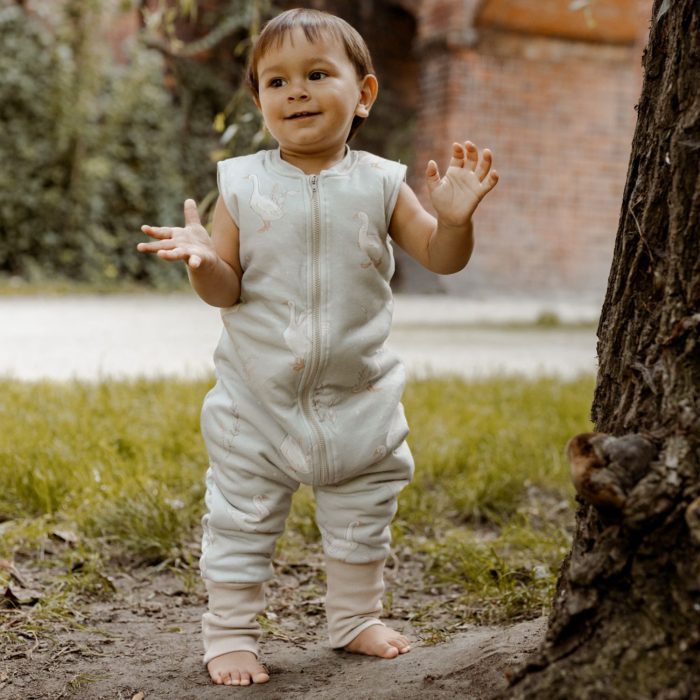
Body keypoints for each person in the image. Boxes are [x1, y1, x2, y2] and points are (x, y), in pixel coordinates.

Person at [137, 7, 498, 687]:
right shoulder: (240, 184)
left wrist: (454, 222)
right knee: (240, 520)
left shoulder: (383, 182)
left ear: (363, 93)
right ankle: (230, 633)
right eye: (276, 82)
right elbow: (225, 289)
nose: (295, 91)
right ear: (259, 102)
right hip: (256, 402)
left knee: (364, 517)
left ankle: (355, 618)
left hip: (359, 399)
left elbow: (440, 257)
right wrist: (204, 262)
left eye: (317, 74)